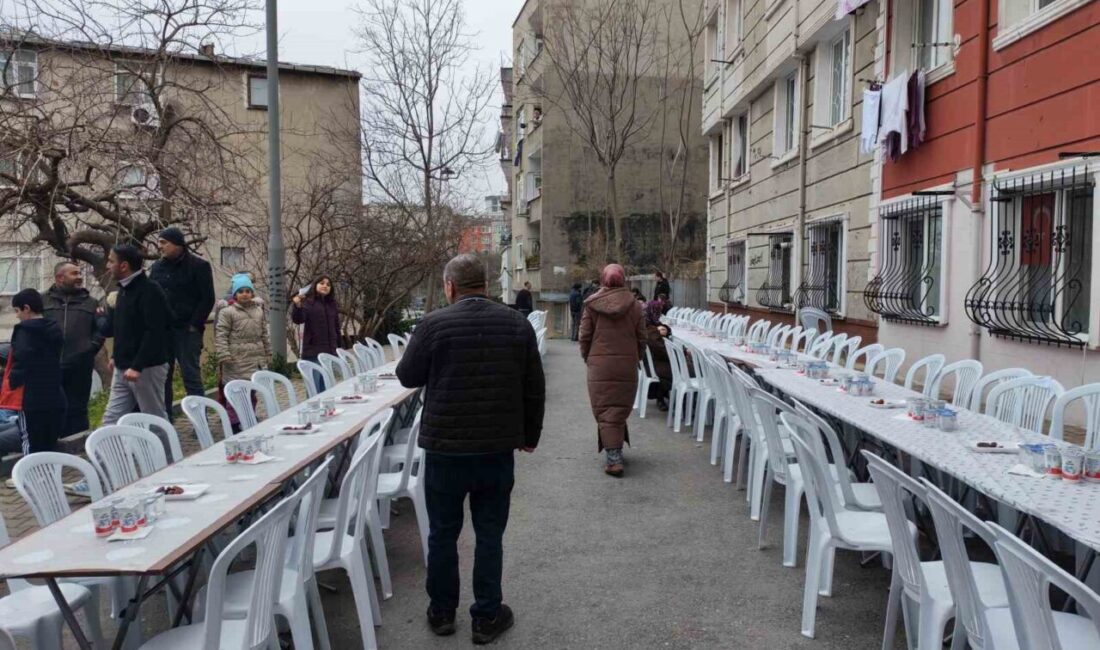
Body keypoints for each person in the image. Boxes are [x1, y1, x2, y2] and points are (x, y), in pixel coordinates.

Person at [396, 253, 545, 645]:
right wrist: (530, 436)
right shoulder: (517, 324)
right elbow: (534, 386)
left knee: (443, 534)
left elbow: (407, 375)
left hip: (445, 451)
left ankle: (442, 612)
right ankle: (487, 615)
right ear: (486, 285)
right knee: (489, 533)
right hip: (496, 449)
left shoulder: (433, 325)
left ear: (450, 286)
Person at [579, 263, 646, 477]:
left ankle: (613, 458)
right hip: (626, 364)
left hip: (600, 365)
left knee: (606, 408)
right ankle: (615, 448)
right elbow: (641, 338)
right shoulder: (635, 305)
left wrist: (589, 358)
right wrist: (637, 357)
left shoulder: (592, 305)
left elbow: (585, 336)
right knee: (618, 405)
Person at [101, 245, 171, 426]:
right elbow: (123, 329)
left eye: (111, 261)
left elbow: (154, 332)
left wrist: (138, 366)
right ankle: (110, 454)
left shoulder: (150, 290)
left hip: (147, 368)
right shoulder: (122, 291)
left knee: (154, 419)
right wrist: (117, 355)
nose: (107, 265)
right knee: (111, 420)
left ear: (124, 266)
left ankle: (167, 454)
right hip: (122, 367)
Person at [149, 227, 215, 411]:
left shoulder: (198, 266)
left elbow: (207, 298)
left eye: (164, 243)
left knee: (191, 376)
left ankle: (199, 419)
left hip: (187, 330)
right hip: (163, 332)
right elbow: (151, 295)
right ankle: (165, 421)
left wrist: (194, 324)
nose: (160, 246)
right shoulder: (157, 267)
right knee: (163, 378)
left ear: (177, 244)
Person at [43, 261, 105, 436]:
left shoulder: (91, 303)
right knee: (52, 408)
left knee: (77, 409)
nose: (79, 277)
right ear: (59, 277)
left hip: (79, 365)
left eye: (79, 273)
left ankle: (80, 449)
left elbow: (100, 330)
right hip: (50, 365)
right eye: (74, 274)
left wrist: (90, 348)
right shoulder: (42, 300)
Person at [0, 289, 66, 454]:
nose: (17, 316)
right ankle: (49, 475)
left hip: (30, 397)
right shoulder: (54, 327)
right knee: (48, 441)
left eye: (17, 311)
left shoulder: (24, 330)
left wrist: (13, 380)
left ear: (26, 308)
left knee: (29, 440)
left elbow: (22, 357)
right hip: (53, 392)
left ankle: (30, 477)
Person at [214, 275, 270, 431]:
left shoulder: (258, 311)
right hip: (236, 360)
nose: (244, 294)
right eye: (240, 291)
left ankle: (249, 418)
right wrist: (224, 354)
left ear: (252, 293)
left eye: (247, 291)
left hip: (255, 359)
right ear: (235, 294)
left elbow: (264, 333)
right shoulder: (228, 312)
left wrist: (268, 352)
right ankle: (234, 423)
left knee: (251, 393)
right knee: (236, 393)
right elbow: (221, 334)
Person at [291, 275, 340, 389]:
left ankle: (328, 407)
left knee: (327, 387)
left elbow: (336, 327)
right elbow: (298, 319)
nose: (325, 286)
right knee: (314, 388)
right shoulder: (308, 302)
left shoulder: (332, 304)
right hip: (313, 352)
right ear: (315, 285)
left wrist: (338, 347)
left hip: (329, 351)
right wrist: (297, 306)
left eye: (328, 284)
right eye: (322, 283)